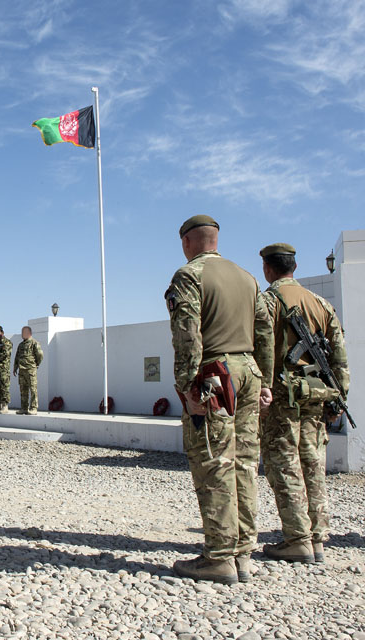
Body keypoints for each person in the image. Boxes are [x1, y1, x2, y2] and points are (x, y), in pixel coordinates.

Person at [165, 215, 273, 584]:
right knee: (244, 464)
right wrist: (266, 382)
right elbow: (264, 334)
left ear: (187, 242)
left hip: (214, 375)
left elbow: (187, 334)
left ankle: (219, 557)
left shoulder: (189, 275)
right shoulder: (248, 278)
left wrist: (186, 386)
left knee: (213, 463)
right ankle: (243, 552)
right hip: (248, 373)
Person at [258, 243, 350, 564]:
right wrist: (339, 395)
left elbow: (262, 350)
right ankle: (317, 538)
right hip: (317, 396)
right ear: (294, 268)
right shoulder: (322, 305)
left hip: (283, 398)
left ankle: (297, 538)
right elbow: (339, 357)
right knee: (313, 465)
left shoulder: (269, 301)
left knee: (284, 466)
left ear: (268, 268)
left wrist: (261, 391)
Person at [13, 326, 44, 415]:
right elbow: (17, 356)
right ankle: (24, 408)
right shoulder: (21, 344)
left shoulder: (34, 343)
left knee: (33, 389)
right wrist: (15, 367)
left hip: (30, 370)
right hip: (22, 370)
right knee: (23, 390)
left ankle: (33, 408)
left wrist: (35, 364)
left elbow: (40, 355)